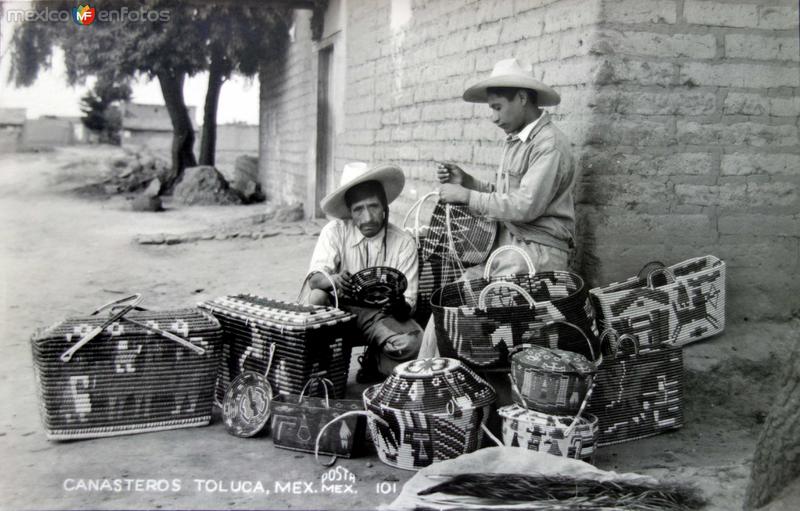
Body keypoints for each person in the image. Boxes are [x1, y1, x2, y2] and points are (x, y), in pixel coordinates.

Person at [418, 57, 577, 357]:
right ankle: (421, 380)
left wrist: (466, 197)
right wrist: (469, 182)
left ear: (521, 98)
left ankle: (448, 383)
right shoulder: (515, 140)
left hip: (538, 254)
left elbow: (525, 206)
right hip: (509, 249)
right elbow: (503, 196)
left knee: (481, 319)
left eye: (497, 107)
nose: (493, 117)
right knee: (448, 304)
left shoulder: (549, 145)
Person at [306, 161, 422, 382]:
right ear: (349, 212)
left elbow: (409, 304)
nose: (368, 217)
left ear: (385, 206)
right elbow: (314, 280)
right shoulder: (334, 232)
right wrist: (334, 280)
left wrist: (397, 304)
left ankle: (375, 360)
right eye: (358, 209)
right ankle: (324, 370)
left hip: (380, 317)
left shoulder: (403, 243)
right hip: (338, 315)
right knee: (317, 297)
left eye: (374, 206)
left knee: (414, 343)